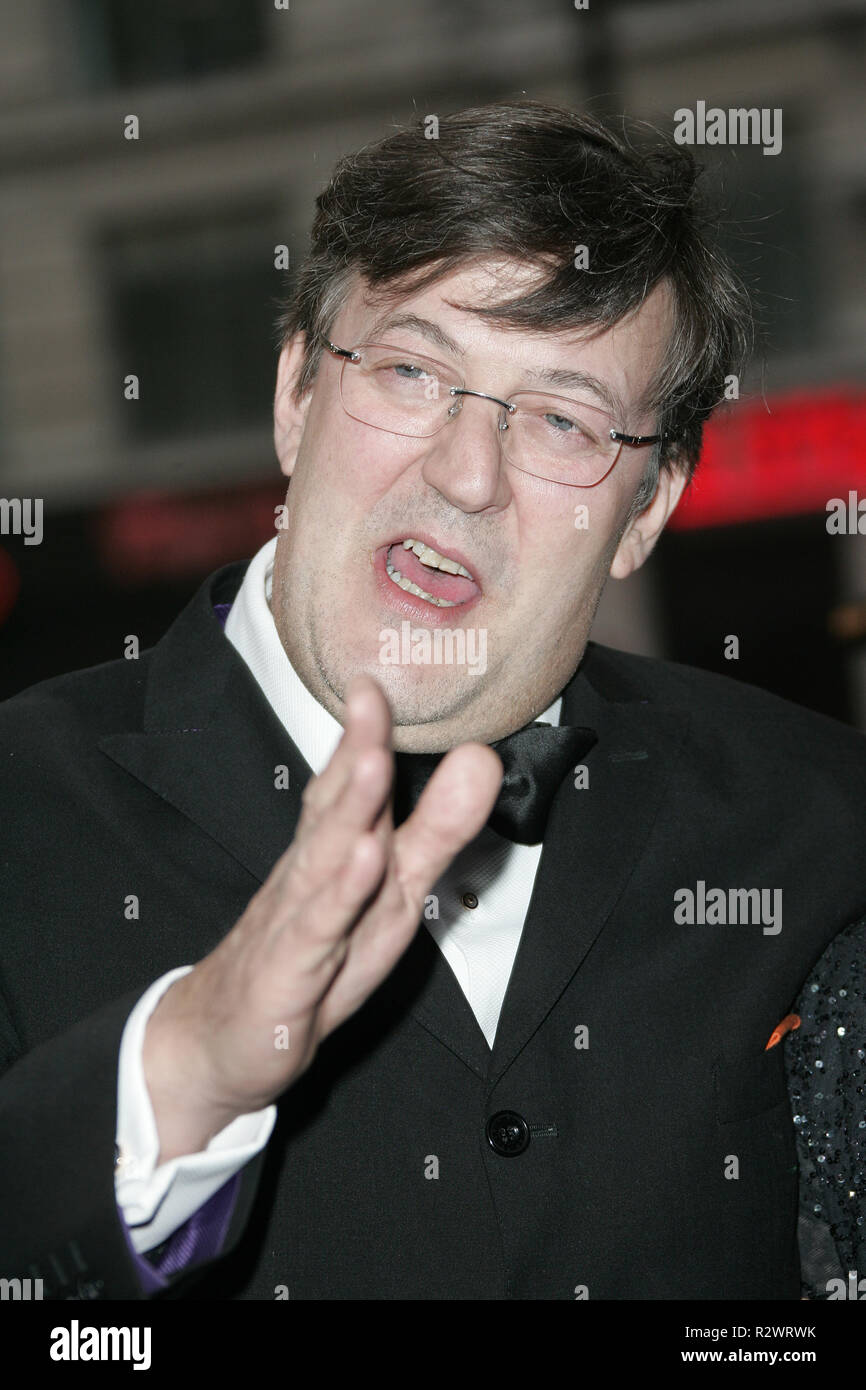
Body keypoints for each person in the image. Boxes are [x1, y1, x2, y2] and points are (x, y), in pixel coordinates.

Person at [1, 101, 863, 1302]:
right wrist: (185, 1067)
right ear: (297, 391)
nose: (465, 473)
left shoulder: (821, 818)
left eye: (561, 420)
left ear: (649, 507)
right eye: (412, 371)